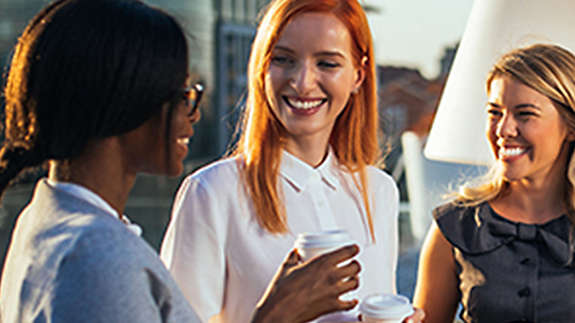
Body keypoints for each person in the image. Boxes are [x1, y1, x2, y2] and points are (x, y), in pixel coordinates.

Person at [0, 0, 364, 322]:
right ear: (124, 104)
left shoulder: (46, 219)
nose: (193, 112)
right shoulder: (103, 260)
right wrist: (277, 315)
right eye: (181, 93)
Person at [160, 0, 424, 322]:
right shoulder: (212, 192)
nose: (302, 82)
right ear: (262, 68)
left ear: (359, 75)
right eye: (284, 60)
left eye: (327, 63)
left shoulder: (380, 191)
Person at [413, 43, 575, 323]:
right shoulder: (453, 227)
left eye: (525, 114)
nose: (503, 130)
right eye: (494, 112)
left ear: (570, 126)